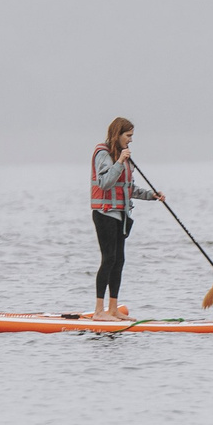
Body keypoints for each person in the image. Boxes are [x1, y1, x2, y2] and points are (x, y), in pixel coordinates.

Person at [88, 116, 162, 320]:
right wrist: (120, 161)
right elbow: (104, 183)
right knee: (108, 258)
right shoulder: (102, 153)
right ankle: (98, 311)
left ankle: (113, 309)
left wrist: (151, 195)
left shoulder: (124, 156)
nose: (130, 140)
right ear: (117, 134)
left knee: (119, 260)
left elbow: (128, 188)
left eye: (132, 136)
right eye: (128, 136)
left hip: (121, 214)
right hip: (104, 213)